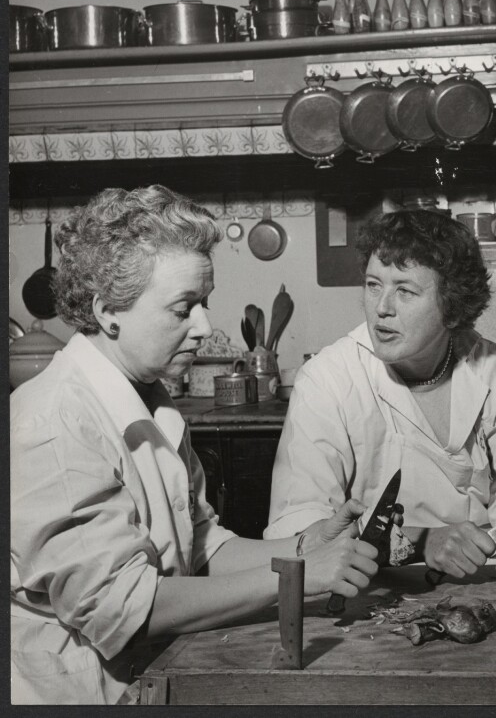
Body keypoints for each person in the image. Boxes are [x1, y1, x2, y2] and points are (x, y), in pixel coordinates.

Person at [10, 185, 379, 705]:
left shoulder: (152, 401)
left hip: (153, 674)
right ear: (108, 311)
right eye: (184, 308)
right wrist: (298, 578)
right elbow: (125, 610)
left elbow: (201, 548)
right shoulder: (52, 423)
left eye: (204, 303)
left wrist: (304, 545)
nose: (205, 326)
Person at [265, 208, 496, 579]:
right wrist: (420, 541)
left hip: (484, 583)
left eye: (405, 291)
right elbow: (300, 529)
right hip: (364, 588)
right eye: (373, 285)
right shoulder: (327, 379)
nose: (381, 308)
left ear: (453, 305)